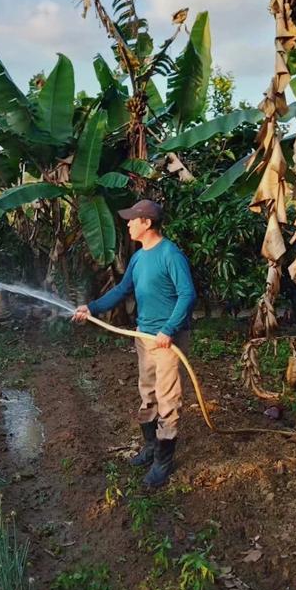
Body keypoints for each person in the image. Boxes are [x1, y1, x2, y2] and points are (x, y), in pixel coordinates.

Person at [73, 199, 196, 488]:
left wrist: (168, 329)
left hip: (168, 342)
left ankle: (163, 463)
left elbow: (187, 295)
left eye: (132, 219)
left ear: (147, 223)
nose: (128, 223)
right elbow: (123, 289)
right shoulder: (140, 257)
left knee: (168, 401)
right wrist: (91, 307)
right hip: (144, 337)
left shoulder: (171, 255)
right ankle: (151, 448)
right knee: (148, 394)